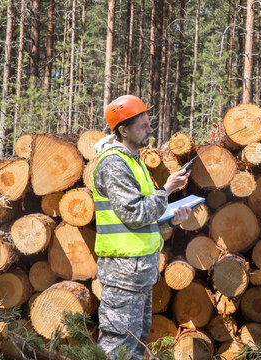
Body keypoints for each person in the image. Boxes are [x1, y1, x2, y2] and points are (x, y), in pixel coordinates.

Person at [92, 94, 192, 359]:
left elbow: (142, 222)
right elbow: (134, 213)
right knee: (116, 349)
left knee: (134, 350)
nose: (150, 129)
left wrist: (171, 219)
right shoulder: (114, 164)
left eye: (149, 123)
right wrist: (167, 190)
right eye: (143, 125)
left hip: (138, 274)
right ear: (123, 130)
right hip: (123, 275)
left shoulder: (133, 162)